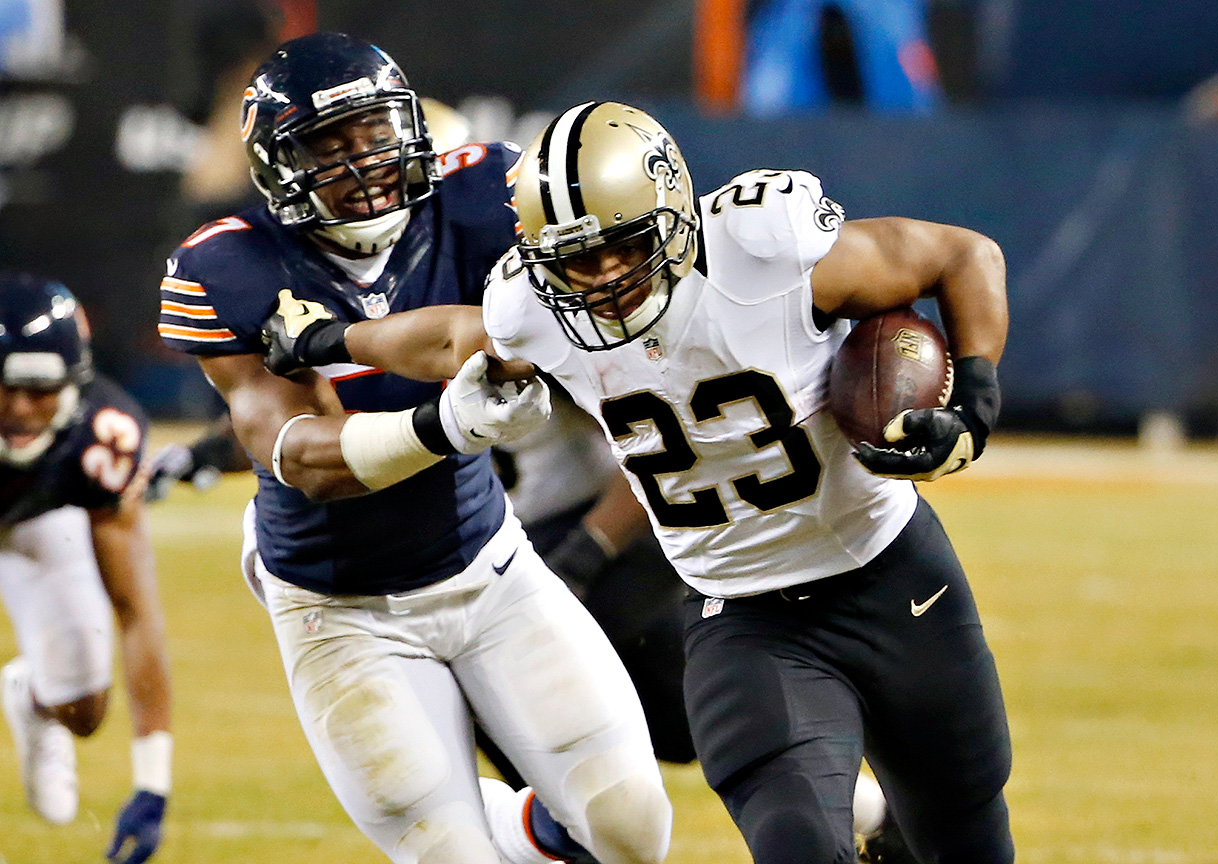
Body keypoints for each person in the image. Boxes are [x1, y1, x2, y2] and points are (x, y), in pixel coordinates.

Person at [266, 101, 1013, 864]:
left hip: (896, 574)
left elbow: (964, 256)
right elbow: (452, 337)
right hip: (746, 617)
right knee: (799, 845)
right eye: (573, 261)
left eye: (621, 248)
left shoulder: (765, 247)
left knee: (965, 834)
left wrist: (976, 404)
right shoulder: (537, 309)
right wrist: (331, 337)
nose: (601, 279)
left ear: (674, 215)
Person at [155, 35, 671, 864]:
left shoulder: (480, 196)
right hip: (342, 605)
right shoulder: (228, 264)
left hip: (489, 567)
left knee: (631, 825)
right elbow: (296, 453)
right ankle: (491, 832)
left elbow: (505, 332)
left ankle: (523, 829)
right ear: (278, 165)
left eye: (374, 132)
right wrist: (445, 427)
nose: (363, 163)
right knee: (451, 855)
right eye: (329, 145)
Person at [0, 274, 172, 864]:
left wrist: (153, 781)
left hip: (36, 516)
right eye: (4, 388)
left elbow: (135, 610)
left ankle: (37, 700)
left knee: (86, 710)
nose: (21, 409)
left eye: (39, 389)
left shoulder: (103, 434)